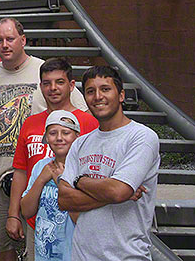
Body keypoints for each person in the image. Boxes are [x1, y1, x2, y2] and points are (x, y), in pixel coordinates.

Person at [0, 18, 88, 261]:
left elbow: (81, 119)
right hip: (2, 176)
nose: (4, 44)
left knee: (49, 246)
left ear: (23, 40)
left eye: (10, 38)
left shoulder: (46, 71)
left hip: (52, 180)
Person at [57, 66, 160, 261]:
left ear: (121, 95)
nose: (97, 96)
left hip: (127, 255)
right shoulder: (80, 143)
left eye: (105, 89)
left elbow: (118, 191)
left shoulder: (142, 137)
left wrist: (80, 181)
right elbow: (64, 200)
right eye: (90, 91)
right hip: (82, 255)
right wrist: (114, 193)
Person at [9, 58, 98, 260]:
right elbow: (21, 171)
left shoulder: (89, 123)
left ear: (71, 85)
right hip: (39, 226)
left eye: (59, 82)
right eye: (47, 83)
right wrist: (13, 214)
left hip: (76, 229)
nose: (53, 88)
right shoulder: (30, 123)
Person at [20, 110, 82, 261]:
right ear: (46, 138)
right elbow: (26, 211)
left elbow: (82, 220)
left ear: (77, 137)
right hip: (43, 254)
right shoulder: (41, 166)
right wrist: (41, 180)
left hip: (73, 254)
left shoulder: (83, 168)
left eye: (66, 132)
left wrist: (60, 182)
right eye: (53, 133)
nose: (59, 138)